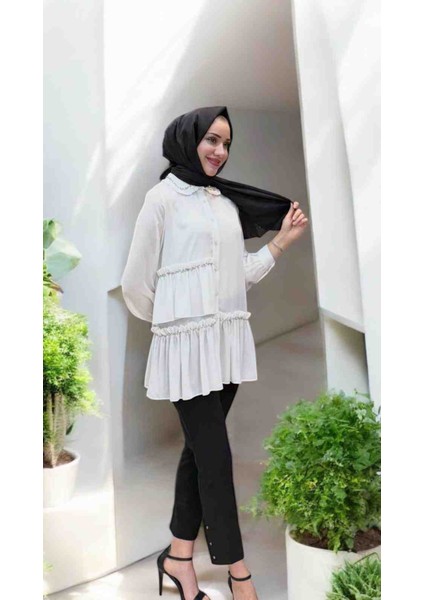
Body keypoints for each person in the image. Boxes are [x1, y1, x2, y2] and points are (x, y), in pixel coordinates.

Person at [121, 107, 308, 600]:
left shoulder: (222, 202)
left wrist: (281, 242)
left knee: (200, 453)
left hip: (225, 345)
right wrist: (176, 326)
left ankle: (178, 559)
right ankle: (239, 574)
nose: (220, 151)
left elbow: (237, 275)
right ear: (188, 139)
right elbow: (135, 284)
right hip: (187, 350)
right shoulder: (161, 199)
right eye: (211, 139)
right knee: (217, 458)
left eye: (226, 143)